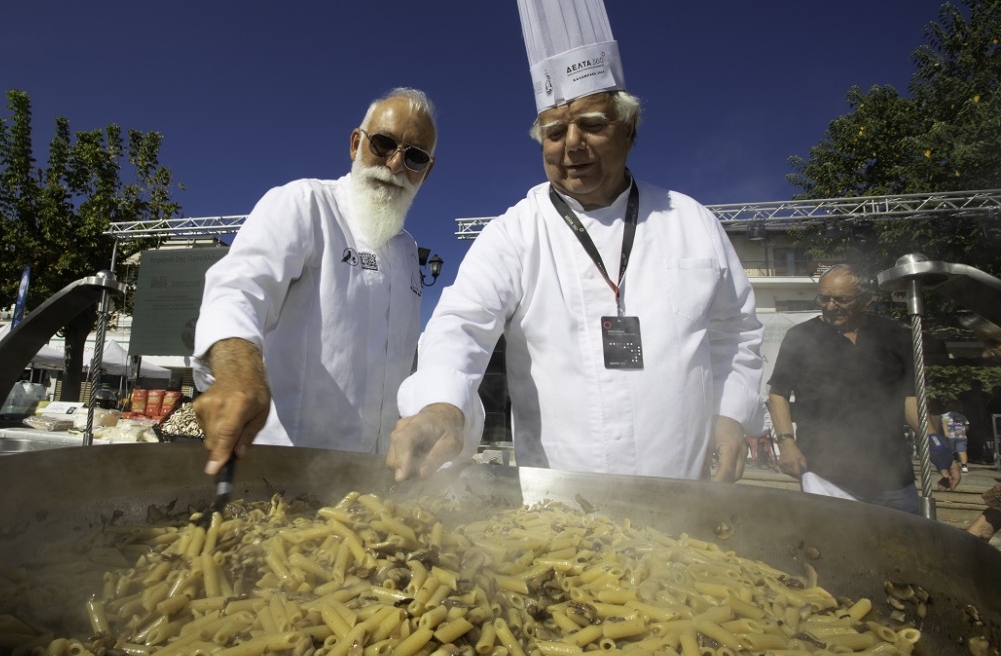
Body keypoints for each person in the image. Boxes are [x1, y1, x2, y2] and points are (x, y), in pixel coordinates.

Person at [385, 0, 763, 483]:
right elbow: (459, 326)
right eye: (555, 131)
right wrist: (440, 407)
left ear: (628, 130)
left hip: (684, 495)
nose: (572, 145)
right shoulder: (514, 232)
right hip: (558, 507)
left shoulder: (693, 222)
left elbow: (737, 332)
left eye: (592, 125)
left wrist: (730, 414)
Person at [191, 87, 437, 475]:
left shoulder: (408, 252)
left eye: (415, 156)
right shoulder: (305, 204)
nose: (394, 164)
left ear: (427, 170)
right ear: (357, 143)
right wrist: (237, 367)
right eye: (383, 144)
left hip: (374, 480)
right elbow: (238, 288)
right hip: (283, 472)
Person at [767, 264, 925, 514]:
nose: (830, 306)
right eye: (824, 298)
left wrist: (934, 440)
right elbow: (778, 394)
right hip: (826, 472)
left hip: (892, 473)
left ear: (865, 300)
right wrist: (786, 444)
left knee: (904, 548)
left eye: (841, 300)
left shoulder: (892, 334)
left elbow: (910, 397)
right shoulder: (801, 336)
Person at [940, 399, 971, 473]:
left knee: (950, 451)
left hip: (950, 435)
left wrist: (945, 432)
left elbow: (944, 423)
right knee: (962, 451)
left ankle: (950, 465)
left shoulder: (945, 415)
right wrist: (963, 431)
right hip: (961, 435)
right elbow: (967, 426)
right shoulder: (962, 416)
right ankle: (964, 466)